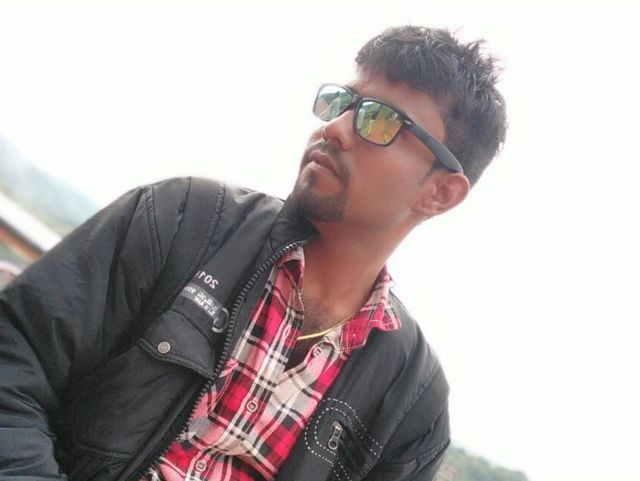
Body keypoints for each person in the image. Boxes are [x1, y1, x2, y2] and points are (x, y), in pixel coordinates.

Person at [0, 25, 507, 481]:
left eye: (379, 121)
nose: (335, 128)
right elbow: (16, 358)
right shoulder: (182, 221)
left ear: (440, 192)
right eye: (341, 103)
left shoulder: (411, 405)